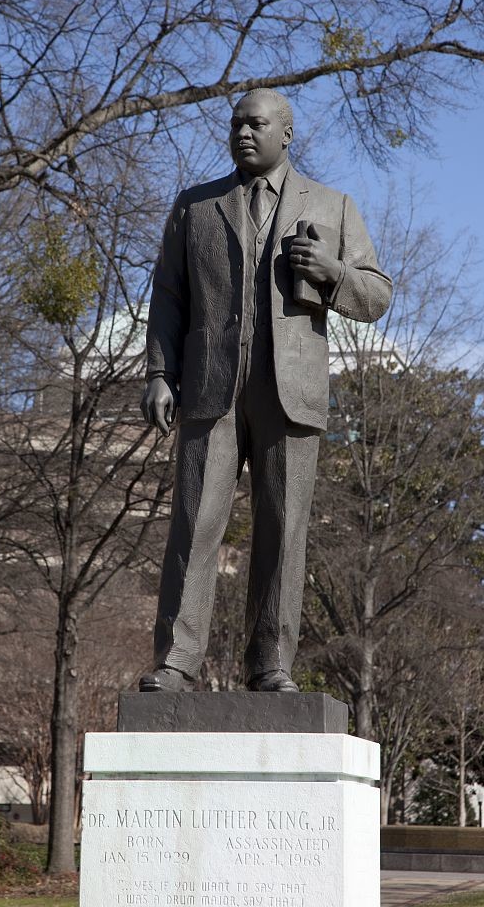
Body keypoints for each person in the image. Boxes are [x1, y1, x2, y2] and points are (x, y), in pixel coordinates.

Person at [139, 89, 392, 692]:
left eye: (255, 125)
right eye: (235, 125)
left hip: (292, 392)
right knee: (195, 523)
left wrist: (334, 276)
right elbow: (169, 299)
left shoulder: (333, 205)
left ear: (287, 133)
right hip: (209, 390)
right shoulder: (195, 207)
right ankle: (176, 660)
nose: (243, 134)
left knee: (284, 528)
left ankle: (272, 664)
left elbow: (377, 295)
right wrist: (157, 373)